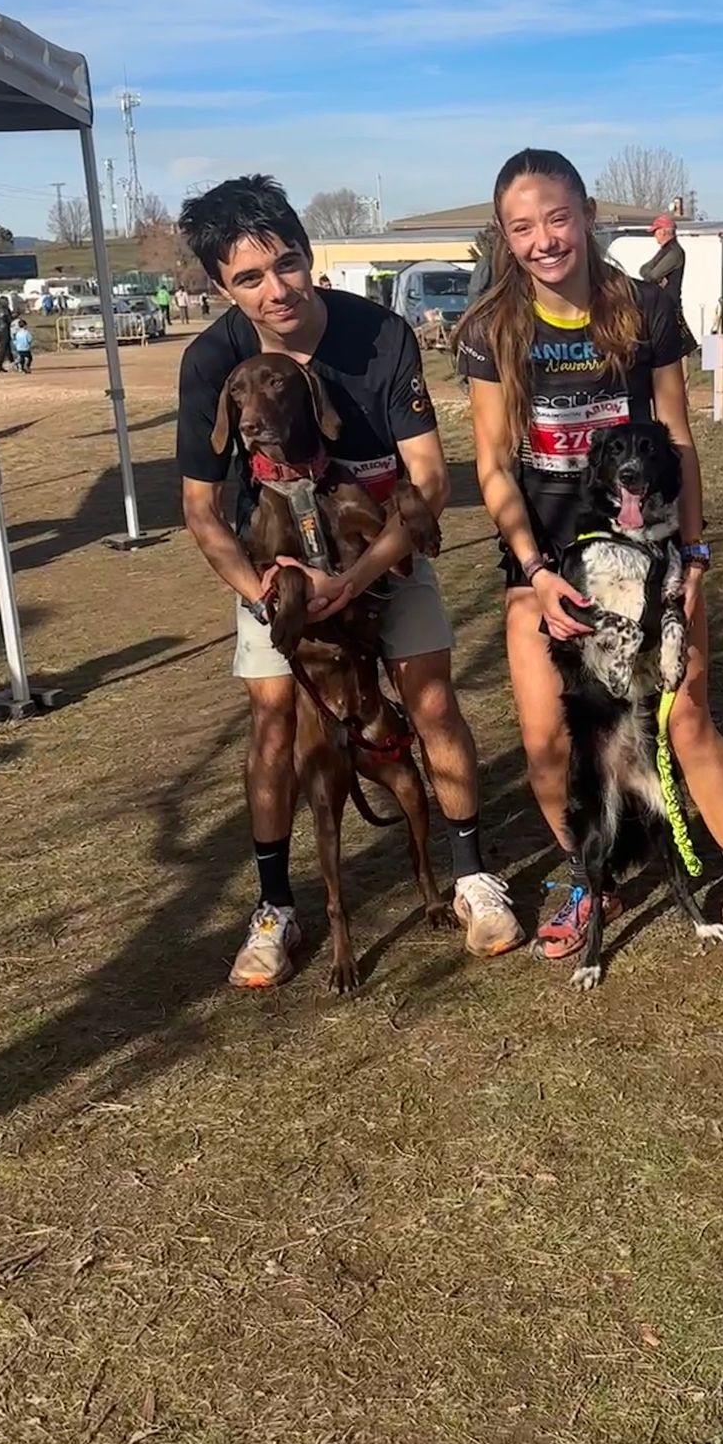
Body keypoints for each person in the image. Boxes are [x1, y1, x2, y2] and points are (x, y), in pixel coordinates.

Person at [175, 175, 522, 989]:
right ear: (222, 288)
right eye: (249, 278)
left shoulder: (380, 335)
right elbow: (200, 511)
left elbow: (430, 478)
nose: (276, 289)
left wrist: (356, 576)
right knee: (272, 718)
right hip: (276, 566)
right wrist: (265, 592)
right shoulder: (212, 362)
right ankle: (275, 908)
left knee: (430, 695)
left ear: (309, 255)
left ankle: (472, 877)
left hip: (382, 543)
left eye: (287, 264)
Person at [457, 148, 723, 985]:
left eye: (557, 218)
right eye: (522, 227)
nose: (544, 240)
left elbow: (677, 435)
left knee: (687, 721)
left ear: (588, 214)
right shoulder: (490, 329)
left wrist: (695, 554)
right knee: (548, 742)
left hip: (654, 561)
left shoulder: (644, 307)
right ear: (503, 236)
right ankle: (589, 878)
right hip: (549, 573)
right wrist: (534, 570)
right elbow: (493, 465)